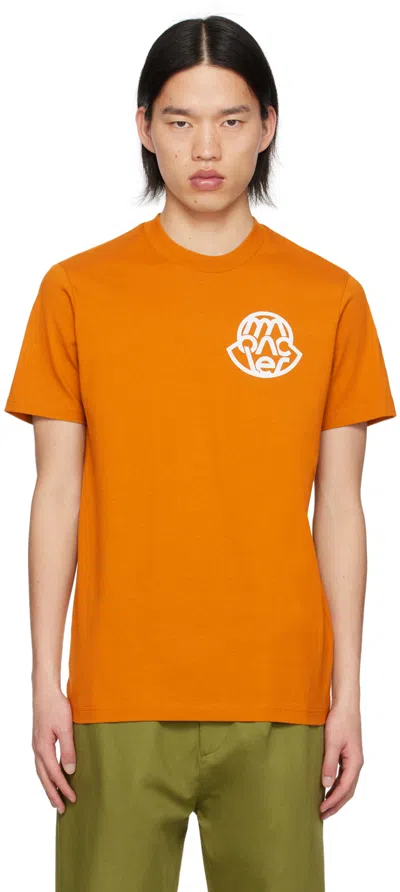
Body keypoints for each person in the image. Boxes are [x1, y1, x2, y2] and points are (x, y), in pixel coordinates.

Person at [4, 14, 396, 892]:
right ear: (144, 128)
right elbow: (55, 495)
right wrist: (42, 682)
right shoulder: (75, 291)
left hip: (279, 694)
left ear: (268, 126)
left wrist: (349, 694)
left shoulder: (330, 298)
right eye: (180, 121)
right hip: (115, 694)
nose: (206, 147)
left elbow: (341, 507)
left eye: (230, 119)